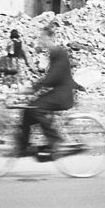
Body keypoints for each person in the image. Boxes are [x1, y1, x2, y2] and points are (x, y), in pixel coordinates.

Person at [15, 25, 74, 159]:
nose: (41, 41)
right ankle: (23, 146)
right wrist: (35, 88)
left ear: (51, 38)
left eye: (43, 38)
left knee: (37, 108)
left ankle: (56, 141)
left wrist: (34, 88)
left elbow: (53, 77)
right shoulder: (53, 54)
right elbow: (50, 78)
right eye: (40, 38)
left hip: (62, 95)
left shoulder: (59, 52)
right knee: (28, 110)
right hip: (57, 92)